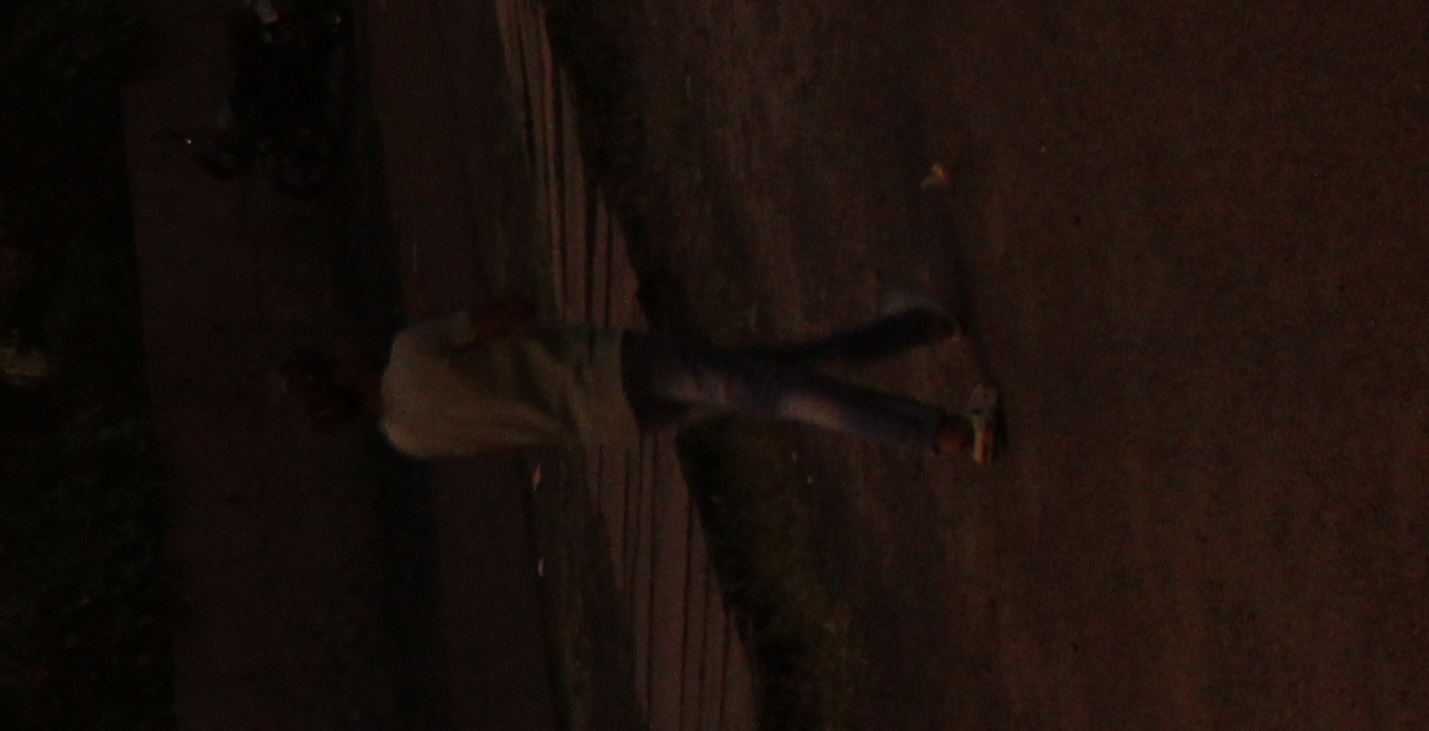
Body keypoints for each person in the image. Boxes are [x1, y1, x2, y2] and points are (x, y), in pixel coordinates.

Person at [288, 296, 995, 464]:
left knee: (766, 374)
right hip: (603, 366)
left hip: (608, 424)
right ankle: (944, 432)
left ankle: (915, 329)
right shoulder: (409, 355)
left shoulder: (407, 436)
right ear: (340, 373)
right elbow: (507, 313)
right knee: (779, 392)